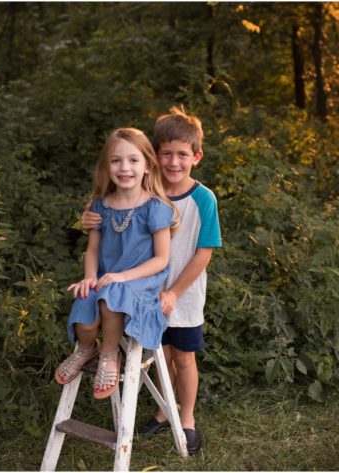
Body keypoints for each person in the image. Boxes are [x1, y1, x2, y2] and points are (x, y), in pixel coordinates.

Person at [81, 106, 220, 454]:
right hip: (143, 291)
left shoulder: (203, 198)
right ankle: (164, 410)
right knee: (160, 353)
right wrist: (88, 218)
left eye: (182, 155)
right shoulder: (148, 193)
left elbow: (204, 252)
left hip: (182, 294)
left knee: (184, 357)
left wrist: (174, 291)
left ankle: (185, 418)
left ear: (196, 157)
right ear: (154, 157)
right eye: (166, 154)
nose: (174, 162)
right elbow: (112, 215)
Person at [55, 127, 179, 401]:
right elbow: (92, 250)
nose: (125, 168)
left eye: (133, 160)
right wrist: (89, 276)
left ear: (148, 165)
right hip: (106, 278)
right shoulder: (101, 205)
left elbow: (161, 259)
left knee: (110, 297)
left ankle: (110, 354)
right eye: (116, 160)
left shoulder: (155, 208)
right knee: (87, 298)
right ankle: (86, 349)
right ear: (106, 166)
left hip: (140, 282)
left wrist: (122, 277)